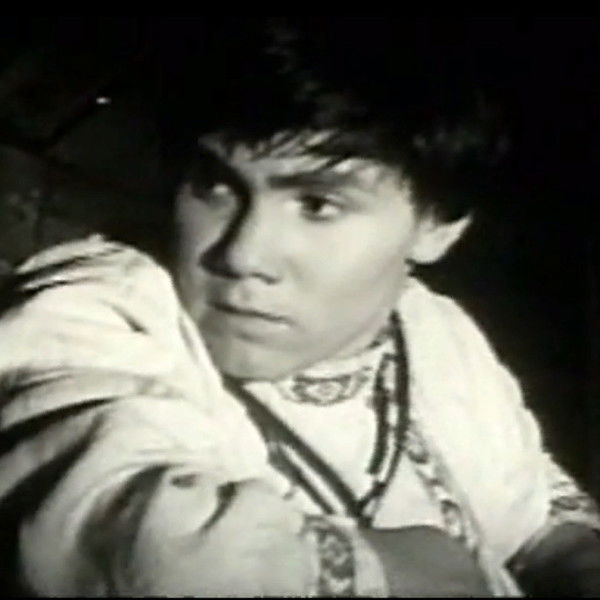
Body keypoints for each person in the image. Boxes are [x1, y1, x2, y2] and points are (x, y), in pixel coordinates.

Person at [0, 18, 599, 596]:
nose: (243, 255)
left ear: (438, 227)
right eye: (216, 185)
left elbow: (524, 498)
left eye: (317, 204)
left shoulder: (431, 327)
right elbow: (124, 539)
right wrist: (401, 570)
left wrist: (571, 554)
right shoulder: (92, 311)